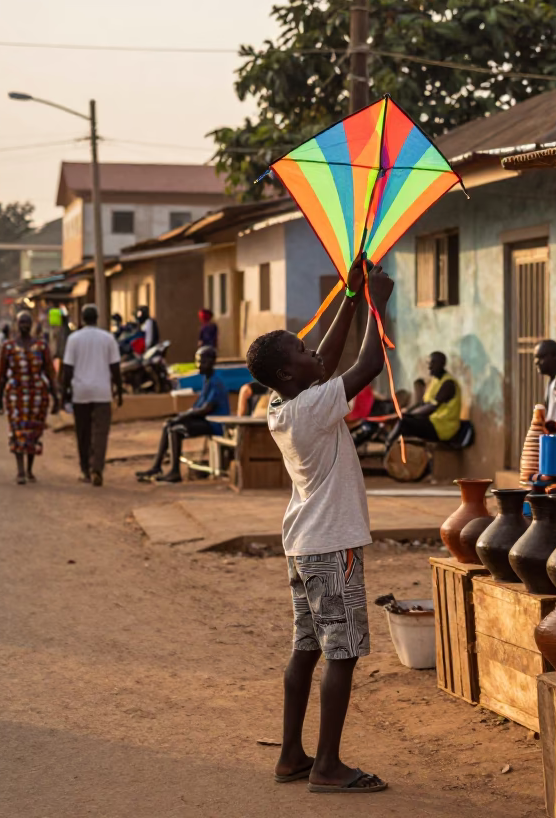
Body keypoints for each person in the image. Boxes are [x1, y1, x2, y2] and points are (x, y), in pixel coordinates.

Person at [243, 260, 391, 793]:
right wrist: (377, 303)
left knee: (306, 647)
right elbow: (368, 362)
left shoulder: (282, 402)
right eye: (301, 353)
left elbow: (324, 361)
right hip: (333, 545)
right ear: (288, 374)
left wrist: (350, 294)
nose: (313, 354)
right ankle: (327, 766)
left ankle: (291, 755)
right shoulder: (311, 408)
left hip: (303, 546)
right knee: (342, 653)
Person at [135, 346, 229, 483]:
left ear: (212, 362)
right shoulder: (208, 379)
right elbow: (198, 407)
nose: (199, 365)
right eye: (197, 362)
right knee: (168, 425)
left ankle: (174, 472)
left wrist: (182, 417)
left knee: (175, 430)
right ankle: (156, 466)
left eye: (202, 362)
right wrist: (181, 416)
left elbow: (206, 409)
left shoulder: (216, 381)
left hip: (214, 424)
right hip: (206, 420)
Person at [61, 304, 123, 487]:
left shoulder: (74, 339)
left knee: (83, 432)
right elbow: (115, 368)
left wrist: (64, 392)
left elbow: (67, 369)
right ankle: (97, 468)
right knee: (100, 432)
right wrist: (119, 390)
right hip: (102, 392)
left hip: (80, 392)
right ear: (97, 317)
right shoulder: (108, 338)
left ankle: (85, 470)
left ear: (82, 318)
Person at [0, 310, 59, 484]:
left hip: (37, 396)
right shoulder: (8, 346)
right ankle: (20, 470)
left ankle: (30, 469)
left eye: (27, 322)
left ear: (32, 325)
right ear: (16, 324)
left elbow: (50, 372)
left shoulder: (41, 346)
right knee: (17, 431)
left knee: (33, 432)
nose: (24, 325)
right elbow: (1, 375)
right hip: (15, 395)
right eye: (21, 322)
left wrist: (56, 397)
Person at [385, 352, 460, 449]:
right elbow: (422, 404)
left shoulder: (448, 384)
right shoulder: (435, 380)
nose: (429, 367)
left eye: (433, 363)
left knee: (404, 422)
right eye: (429, 363)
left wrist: (410, 415)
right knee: (403, 421)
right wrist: (407, 411)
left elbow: (431, 408)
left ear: (442, 364)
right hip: (434, 422)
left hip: (443, 427)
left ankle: (386, 447)